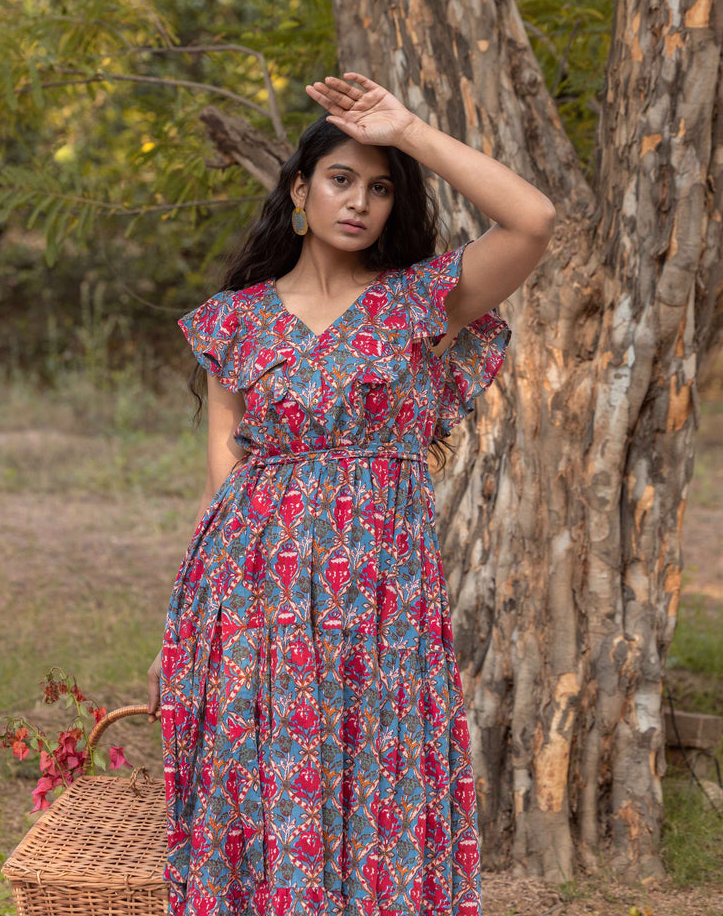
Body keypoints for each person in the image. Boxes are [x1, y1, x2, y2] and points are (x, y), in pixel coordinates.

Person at [147, 73, 555, 916]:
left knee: (382, 797)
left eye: (379, 188)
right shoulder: (235, 320)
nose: (360, 201)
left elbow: (533, 221)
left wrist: (408, 132)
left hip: (381, 605)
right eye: (341, 179)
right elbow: (224, 486)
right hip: (253, 606)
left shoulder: (418, 303)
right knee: (264, 804)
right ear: (300, 190)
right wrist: (189, 634)